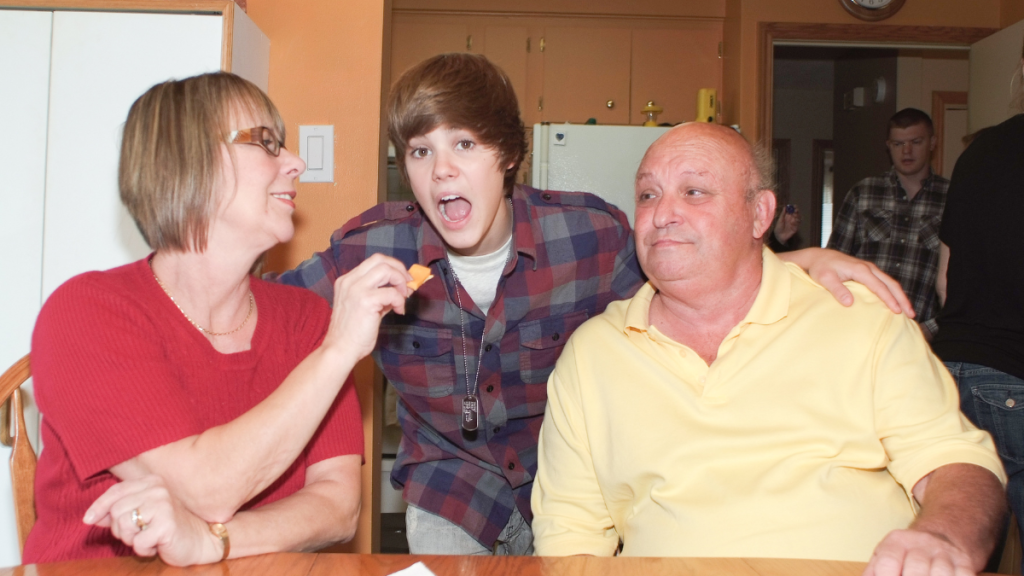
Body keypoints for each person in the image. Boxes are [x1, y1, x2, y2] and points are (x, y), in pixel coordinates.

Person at [271, 53, 917, 556]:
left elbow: (694, 280)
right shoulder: (369, 249)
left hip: (578, 489)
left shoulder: (589, 235)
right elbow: (252, 321)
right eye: (420, 151)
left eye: (464, 144)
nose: (441, 171)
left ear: (509, 154)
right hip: (451, 493)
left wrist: (797, 262)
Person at [531, 122, 1007, 574]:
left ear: (760, 213)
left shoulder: (858, 317)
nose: (663, 213)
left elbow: (955, 464)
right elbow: (569, 536)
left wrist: (943, 536)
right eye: (648, 195)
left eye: (694, 191)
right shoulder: (594, 354)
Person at [25, 72, 410, 565]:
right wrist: (337, 353)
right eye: (265, 143)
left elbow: (337, 507)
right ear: (187, 161)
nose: (296, 163)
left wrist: (214, 542)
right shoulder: (85, 312)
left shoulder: (305, 319)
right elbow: (203, 490)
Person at [933, 41, 1024, 569]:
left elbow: (946, 280)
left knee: (966, 548)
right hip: (1016, 373)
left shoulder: (979, 151)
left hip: (957, 369)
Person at [828, 108, 949, 339]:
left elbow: (962, 280)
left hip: (921, 336)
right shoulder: (863, 193)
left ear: (932, 142)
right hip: (860, 329)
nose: (907, 151)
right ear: (888, 146)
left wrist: (931, 329)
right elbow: (834, 261)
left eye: (916, 141)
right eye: (898, 144)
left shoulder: (951, 198)